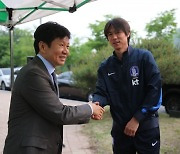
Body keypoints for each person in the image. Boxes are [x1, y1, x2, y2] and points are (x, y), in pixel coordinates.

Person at [3, 22, 104, 154]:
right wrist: (90, 108)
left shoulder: (46, 72)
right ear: (43, 46)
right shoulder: (33, 73)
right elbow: (60, 113)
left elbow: (52, 108)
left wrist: (90, 111)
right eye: (61, 45)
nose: (66, 51)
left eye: (68, 46)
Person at [92, 17, 162, 154]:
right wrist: (96, 105)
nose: (114, 37)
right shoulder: (105, 67)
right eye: (110, 34)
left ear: (127, 33)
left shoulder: (144, 57)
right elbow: (101, 92)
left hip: (146, 128)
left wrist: (137, 119)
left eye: (118, 32)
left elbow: (155, 91)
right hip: (121, 131)